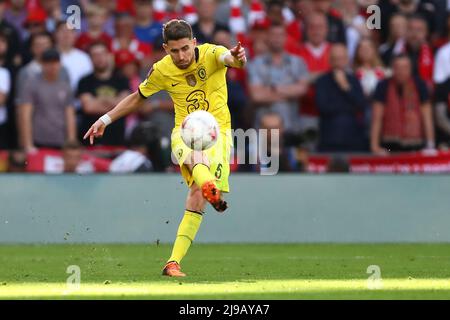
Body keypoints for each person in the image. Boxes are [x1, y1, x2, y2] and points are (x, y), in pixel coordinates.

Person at [83, 19, 247, 277]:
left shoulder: (211, 53)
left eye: (185, 48)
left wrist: (238, 57)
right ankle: (209, 186)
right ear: (165, 49)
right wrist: (105, 119)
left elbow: (230, 59)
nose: (181, 56)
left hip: (219, 133)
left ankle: (173, 262)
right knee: (196, 159)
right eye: (174, 51)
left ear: (194, 42)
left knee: (196, 195)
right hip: (184, 130)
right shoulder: (161, 70)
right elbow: (138, 97)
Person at [248, 22, 309, 132]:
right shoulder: (256, 63)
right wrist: (290, 92)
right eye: (273, 35)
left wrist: (273, 89)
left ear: (286, 37)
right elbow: (256, 96)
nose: (277, 38)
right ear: (267, 37)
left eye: (280, 35)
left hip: (291, 125)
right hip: (263, 127)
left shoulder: (298, 62)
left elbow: (302, 90)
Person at [371, 54, 434, 154]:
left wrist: (430, 145)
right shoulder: (383, 86)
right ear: (392, 69)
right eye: (398, 67)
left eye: (405, 67)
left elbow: (427, 117)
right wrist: (374, 146)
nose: (401, 71)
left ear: (410, 69)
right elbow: (376, 118)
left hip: (415, 144)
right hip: (389, 146)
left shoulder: (419, 85)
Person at [16, 48, 76, 152]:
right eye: (48, 63)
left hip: (61, 140)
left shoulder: (65, 86)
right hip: (38, 140)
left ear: (60, 64)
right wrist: (28, 144)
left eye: (55, 62)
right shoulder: (31, 84)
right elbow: (25, 115)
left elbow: (70, 116)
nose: (52, 66)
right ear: (42, 64)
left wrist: (71, 142)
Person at [316, 44, 368, 152]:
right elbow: (323, 107)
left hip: (353, 137)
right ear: (330, 61)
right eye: (335, 59)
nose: (338, 63)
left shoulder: (353, 80)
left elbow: (360, 104)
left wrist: (346, 87)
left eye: (341, 59)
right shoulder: (322, 81)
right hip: (329, 136)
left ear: (347, 60)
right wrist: (348, 107)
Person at [78, 42, 130, 146]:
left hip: (117, 140)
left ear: (109, 56)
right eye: (95, 55)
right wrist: (115, 103)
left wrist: (100, 99)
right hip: (91, 141)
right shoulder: (84, 81)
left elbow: (125, 107)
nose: (99, 58)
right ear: (91, 59)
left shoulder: (122, 80)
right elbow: (89, 107)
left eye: (102, 54)